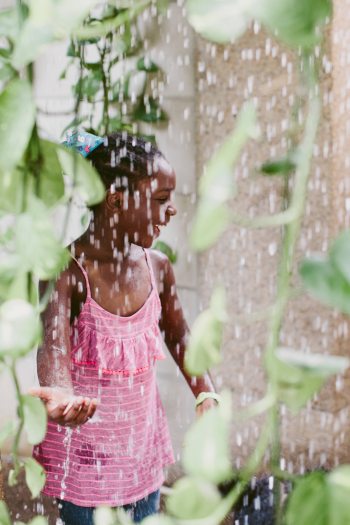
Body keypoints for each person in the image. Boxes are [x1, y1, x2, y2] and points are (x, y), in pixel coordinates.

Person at [30, 130, 219, 525]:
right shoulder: (67, 273)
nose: (172, 212)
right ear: (116, 200)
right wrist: (61, 393)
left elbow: (181, 336)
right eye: (161, 200)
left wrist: (205, 393)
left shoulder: (157, 268)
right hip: (83, 461)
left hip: (139, 455)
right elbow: (54, 348)